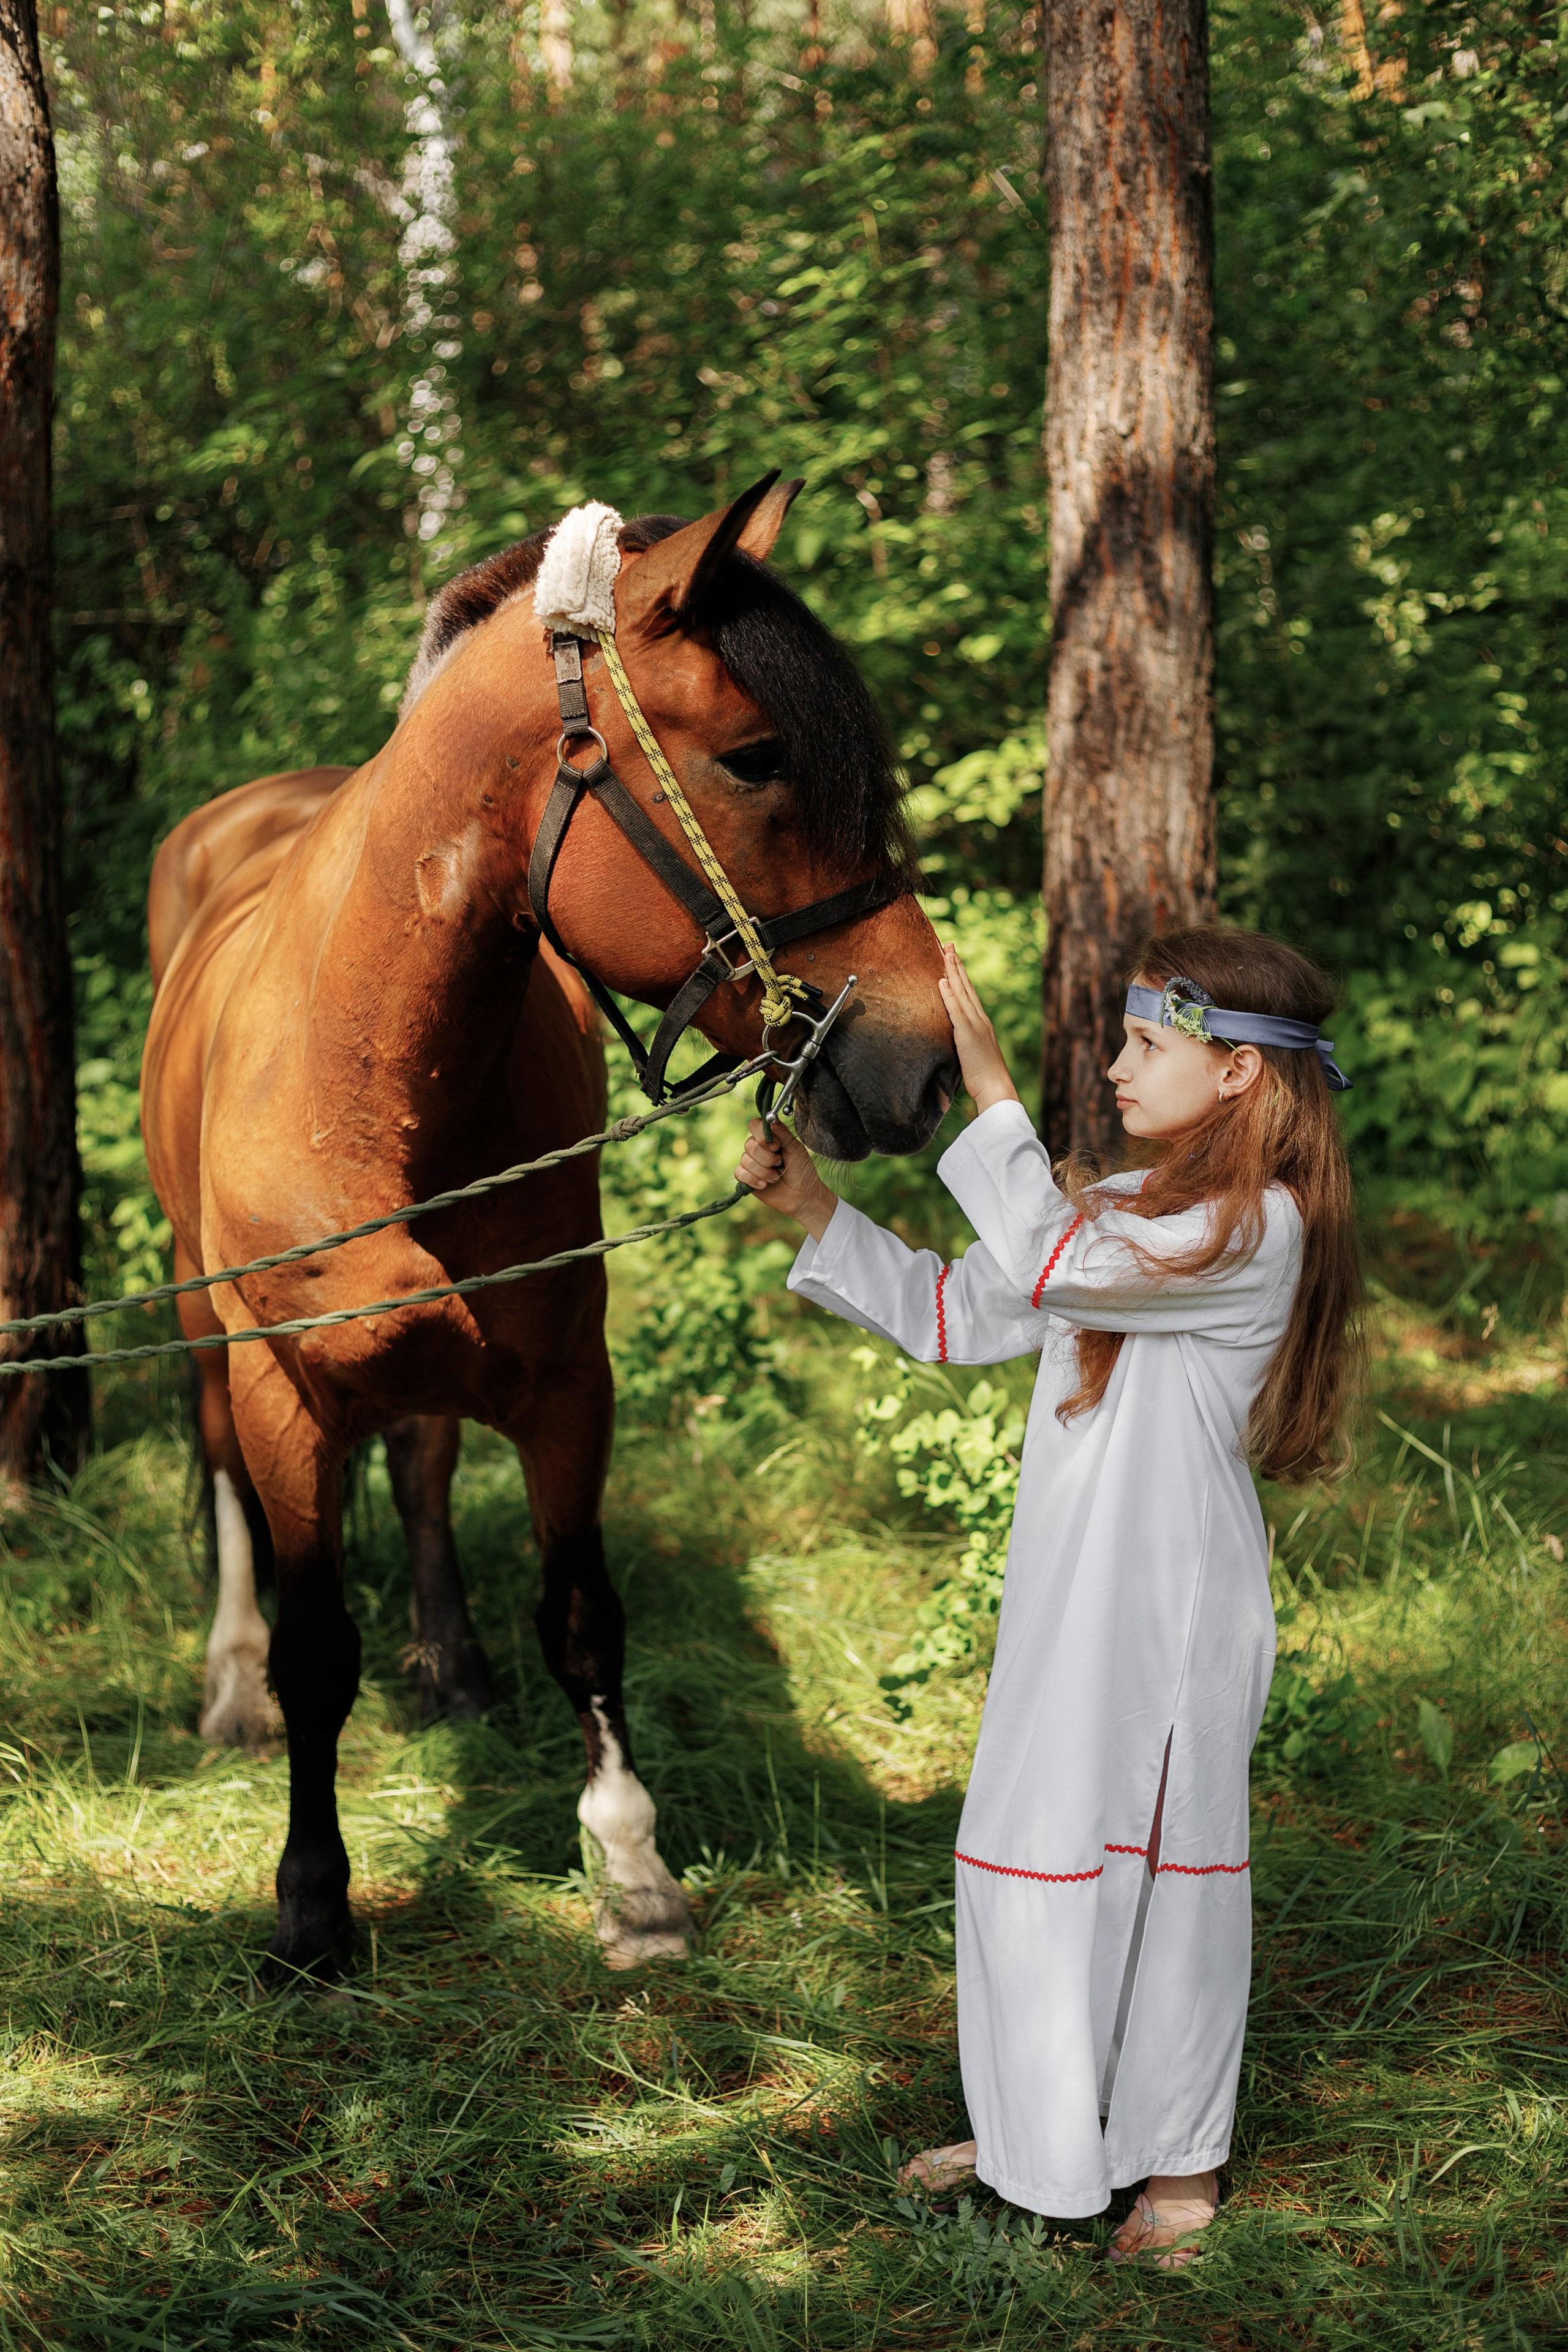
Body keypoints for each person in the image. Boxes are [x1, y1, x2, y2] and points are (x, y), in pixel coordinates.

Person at [735, 927, 1360, 2267]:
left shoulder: (1255, 1227)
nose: (1117, 1065)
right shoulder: (1133, 1211)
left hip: (1166, 1607)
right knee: (1029, 1852)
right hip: (1068, 1596)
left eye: (1147, 1044)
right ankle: (1038, 2133)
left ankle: (1178, 2167)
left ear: (1243, 1075)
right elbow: (968, 1311)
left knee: (1169, 1875)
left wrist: (990, 1087)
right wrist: (813, 1216)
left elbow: (1039, 1258)